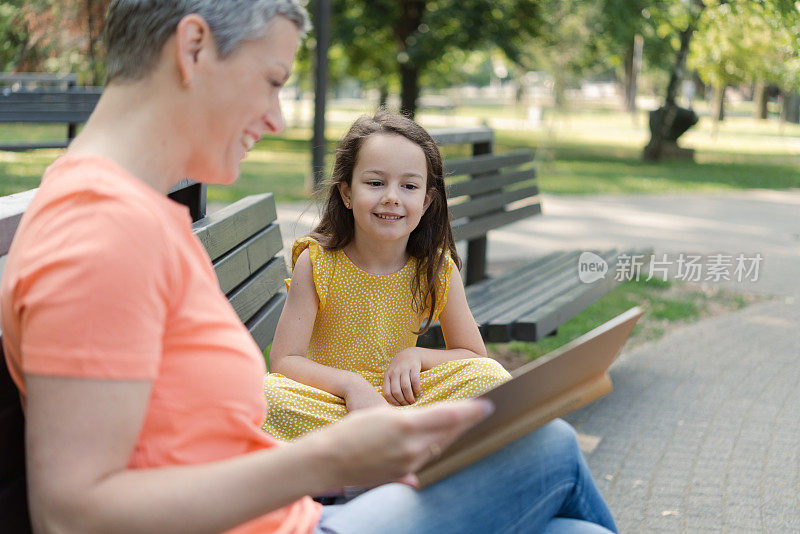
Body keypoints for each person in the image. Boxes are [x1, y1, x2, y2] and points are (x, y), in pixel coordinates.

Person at [0, 1, 618, 533]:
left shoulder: (129, 215)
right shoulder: (103, 232)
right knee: (552, 446)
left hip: (294, 513)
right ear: (193, 49)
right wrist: (329, 460)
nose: (279, 118)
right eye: (272, 80)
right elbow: (72, 515)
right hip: (304, 518)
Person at [262, 112, 512, 441]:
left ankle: (382, 447)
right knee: (268, 397)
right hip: (333, 405)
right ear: (346, 192)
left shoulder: (436, 269)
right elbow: (284, 361)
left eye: (408, 186)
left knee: (489, 376)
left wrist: (417, 356)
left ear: (425, 202)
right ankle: (395, 450)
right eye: (376, 183)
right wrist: (352, 386)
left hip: (404, 403)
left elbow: (474, 357)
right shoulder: (318, 262)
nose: (392, 196)